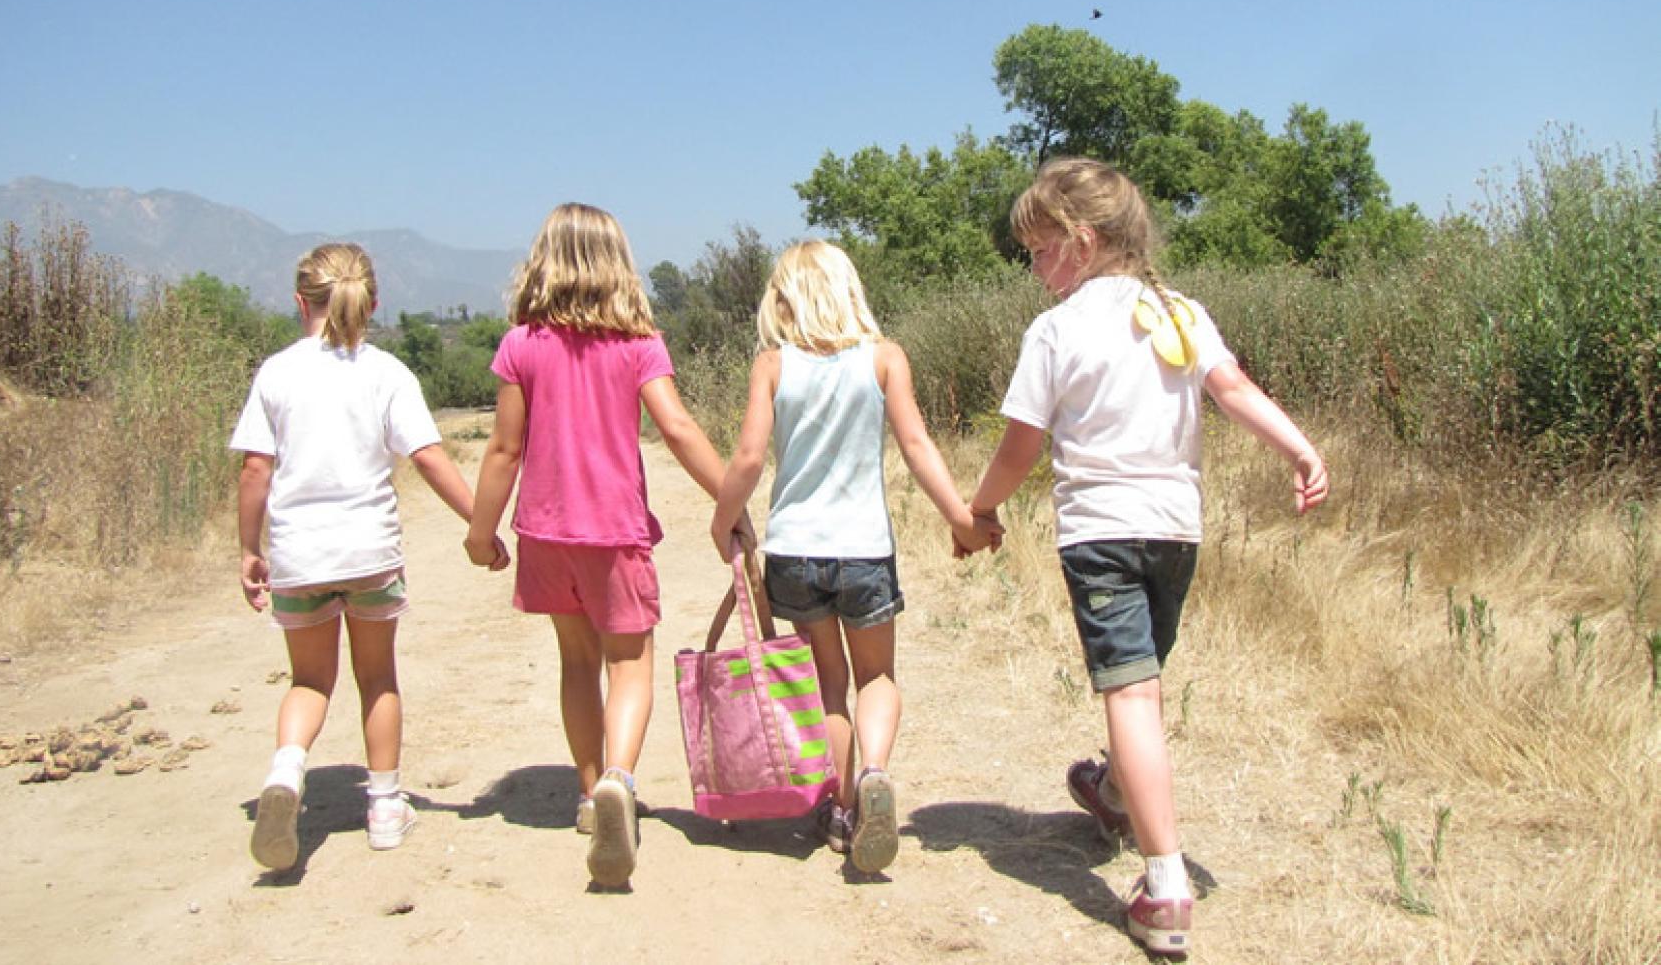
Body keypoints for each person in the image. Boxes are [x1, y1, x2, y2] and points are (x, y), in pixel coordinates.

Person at [964, 159, 1328, 956]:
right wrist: (1301, 450)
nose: (1033, 268)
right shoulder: (1180, 311)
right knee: (1144, 684)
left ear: (1082, 243)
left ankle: (1163, 883)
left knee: (1130, 694)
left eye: (1038, 250)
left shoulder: (1056, 329)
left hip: (1100, 533)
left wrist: (981, 507)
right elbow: (1234, 392)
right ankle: (1115, 788)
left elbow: (1023, 442)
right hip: (1174, 531)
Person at [463, 203, 746, 889]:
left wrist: (480, 529)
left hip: (546, 532)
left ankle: (591, 795)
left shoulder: (521, 343)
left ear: (544, 261)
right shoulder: (638, 340)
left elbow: (503, 448)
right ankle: (620, 777)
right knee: (629, 663)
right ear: (619, 263)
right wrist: (729, 502)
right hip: (614, 532)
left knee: (576, 660)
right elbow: (676, 427)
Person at [709, 240, 998, 875]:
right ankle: (873, 774)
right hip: (864, 551)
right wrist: (961, 517)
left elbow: (749, 458)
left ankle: (842, 811)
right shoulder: (885, 359)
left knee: (827, 686)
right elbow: (917, 443)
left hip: (795, 552)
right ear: (849, 292)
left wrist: (723, 520)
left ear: (785, 301)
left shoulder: (773, 366)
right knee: (878, 678)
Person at [233, 243, 508, 872]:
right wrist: (481, 524)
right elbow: (430, 459)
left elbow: (255, 468)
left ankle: (286, 769)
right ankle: (385, 807)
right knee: (376, 677)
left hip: (300, 556)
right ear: (374, 302)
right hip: (370, 555)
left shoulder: (276, 373)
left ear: (299, 301)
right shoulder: (386, 372)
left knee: (308, 680)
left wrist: (250, 548)